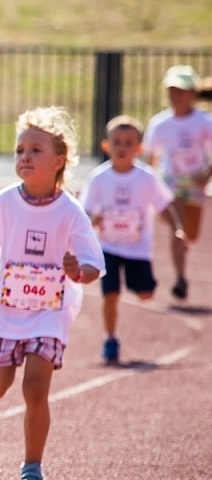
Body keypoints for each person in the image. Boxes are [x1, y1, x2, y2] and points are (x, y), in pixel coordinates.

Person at [0, 107, 103, 480]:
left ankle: (32, 466)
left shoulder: (70, 211)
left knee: (36, 387)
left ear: (58, 161)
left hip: (49, 312)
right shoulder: (4, 203)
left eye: (36, 150)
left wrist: (77, 271)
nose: (25, 157)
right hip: (5, 308)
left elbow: (93, 263)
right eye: (20, 150)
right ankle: (5, 354)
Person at [82, 116, 179, 365]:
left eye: (129, 143)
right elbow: (86, 213)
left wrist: (176, 228)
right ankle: (110, 338)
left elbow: (164, 205)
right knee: (110, 294)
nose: (122, 148)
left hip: (138, 249)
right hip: (108, 247)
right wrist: (96, 219)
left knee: (146, 293)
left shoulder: (146, 177)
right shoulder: (99, 178)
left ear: (139, 148)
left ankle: (141, 286)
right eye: (117, 142)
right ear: (106, 146)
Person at [143, 65, 212, 300]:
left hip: (195, 182)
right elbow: (150, 158)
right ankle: (180, 278)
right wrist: (148, 186)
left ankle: (181, 260)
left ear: (193, 93)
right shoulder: (160, 124)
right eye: (171, 90)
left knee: (191, 234)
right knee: (178, 228)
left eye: (181, 90)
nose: (175, 96)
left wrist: (208, 173)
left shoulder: (204, 122)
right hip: (170, 182)